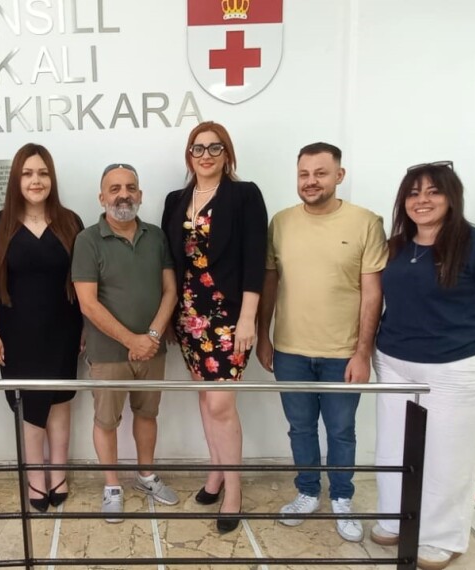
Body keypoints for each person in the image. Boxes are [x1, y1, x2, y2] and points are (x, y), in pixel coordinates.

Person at [372, 162, 475, 570]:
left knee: (449, 456)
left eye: (433, 191)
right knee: (393, 446)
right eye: (414, 193)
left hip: (458, 367)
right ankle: (393, 518)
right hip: (395, 361)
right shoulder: (397, 245)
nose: (423, 200)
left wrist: (468, 341)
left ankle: (441, 538)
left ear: (452, 197)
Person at [256, 142, 387, 542]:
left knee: (342, 430)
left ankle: (342, 498)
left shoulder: (365, 222)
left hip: (342, 353)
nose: (311, 182)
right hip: (291, 350)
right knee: (300, 428)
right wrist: (264, 336)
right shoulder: (280, 222)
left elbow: (372, 293)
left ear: (339, 176)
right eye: (304, 174)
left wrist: (363, 352)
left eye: (320, 173)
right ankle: (308, 491)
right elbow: (270, 282)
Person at [161, 121, 267, 533]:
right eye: (197, 148)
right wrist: (170, 316)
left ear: (227, 154)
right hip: (189, 316)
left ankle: (234, 490)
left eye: (214, 148)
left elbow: (256, 259)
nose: (205, 155)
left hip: (228, 317)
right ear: (189, 155)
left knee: (222, 404)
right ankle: (216, 473)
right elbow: (169, 262)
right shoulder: (175, 199)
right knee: (206, 400)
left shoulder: (244, 195)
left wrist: (248, 318)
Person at [0, 143, 83, 512]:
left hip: (65, 329)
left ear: (51, 178)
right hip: (16, 334)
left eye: (42, 173)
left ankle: (59, 472)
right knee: (30, 407)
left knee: (61, 402)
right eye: (27, 173)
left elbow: (85, 282)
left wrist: (86, 328)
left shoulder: (71, 222)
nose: (35, 181)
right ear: (16, 179)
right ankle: (36, 478)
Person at [72, 163, 179, 522]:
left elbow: (170, 291)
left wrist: (150, 337)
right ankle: (112, 487)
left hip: (152, 350)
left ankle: (146, 476)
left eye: (131, 187)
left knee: (148, 415)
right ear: (102, 197)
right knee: (106, 421)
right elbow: (88, 302)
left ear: (140, 195)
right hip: (108, 352)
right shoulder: (87, 240)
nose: (124, 194)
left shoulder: (157, 236)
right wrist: (131, 339)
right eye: (114, 188)